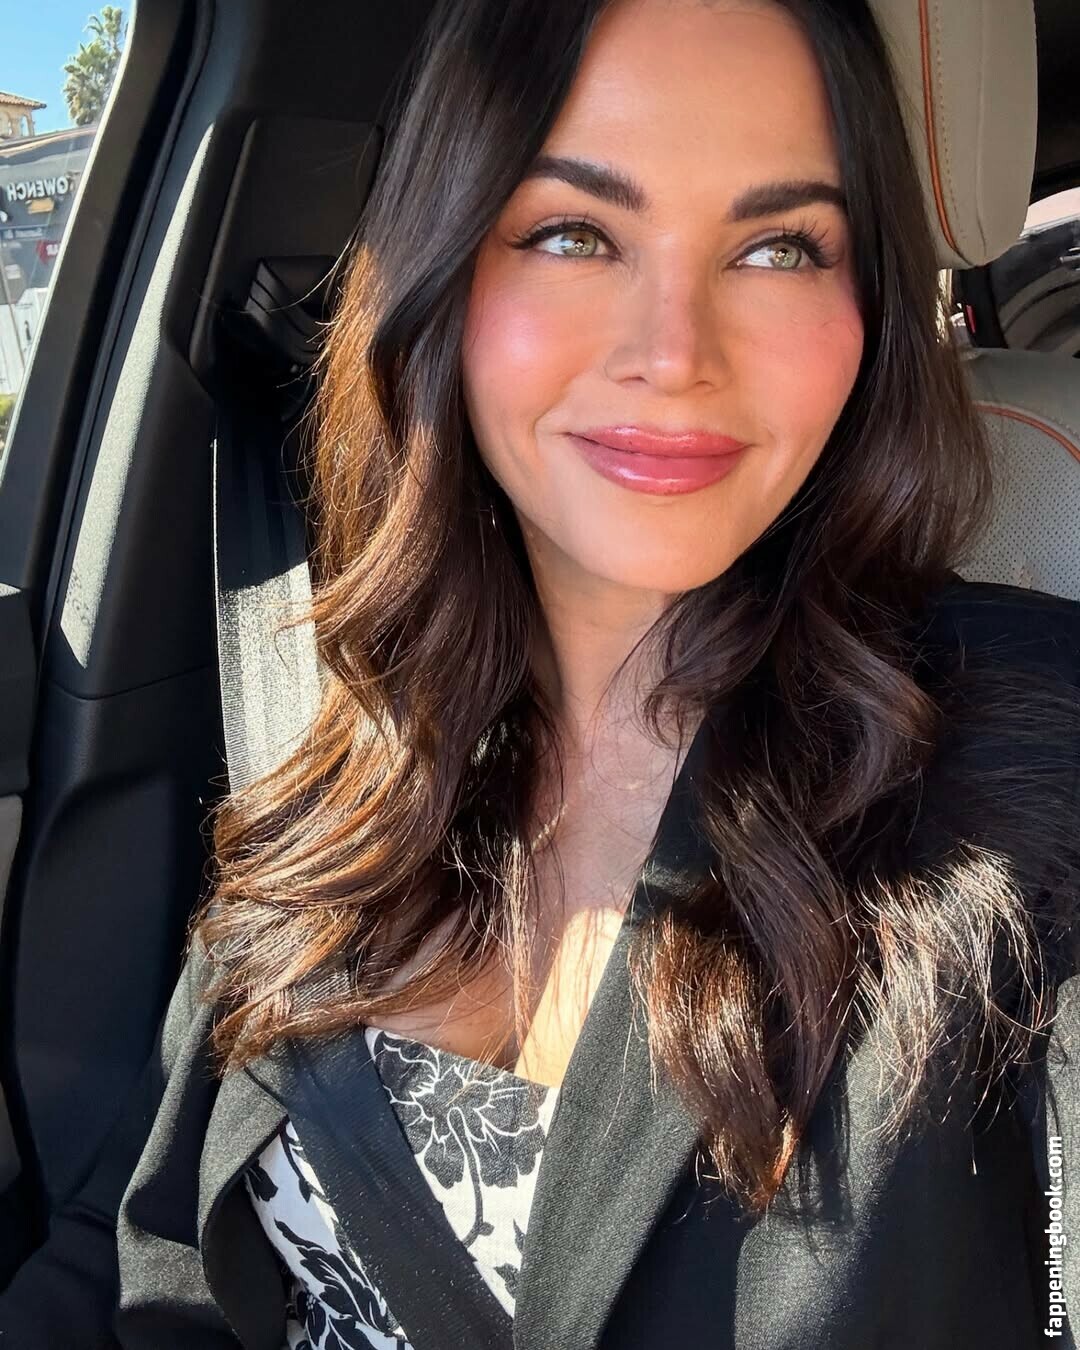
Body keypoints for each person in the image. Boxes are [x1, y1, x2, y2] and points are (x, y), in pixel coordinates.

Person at [2, 0, 1079, 1346]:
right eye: (574, 233)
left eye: (779, 247)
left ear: (865, 301)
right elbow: (141, 1257)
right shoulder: (351, 731)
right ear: (442, 270)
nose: (675, 355)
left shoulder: (1037, 767)